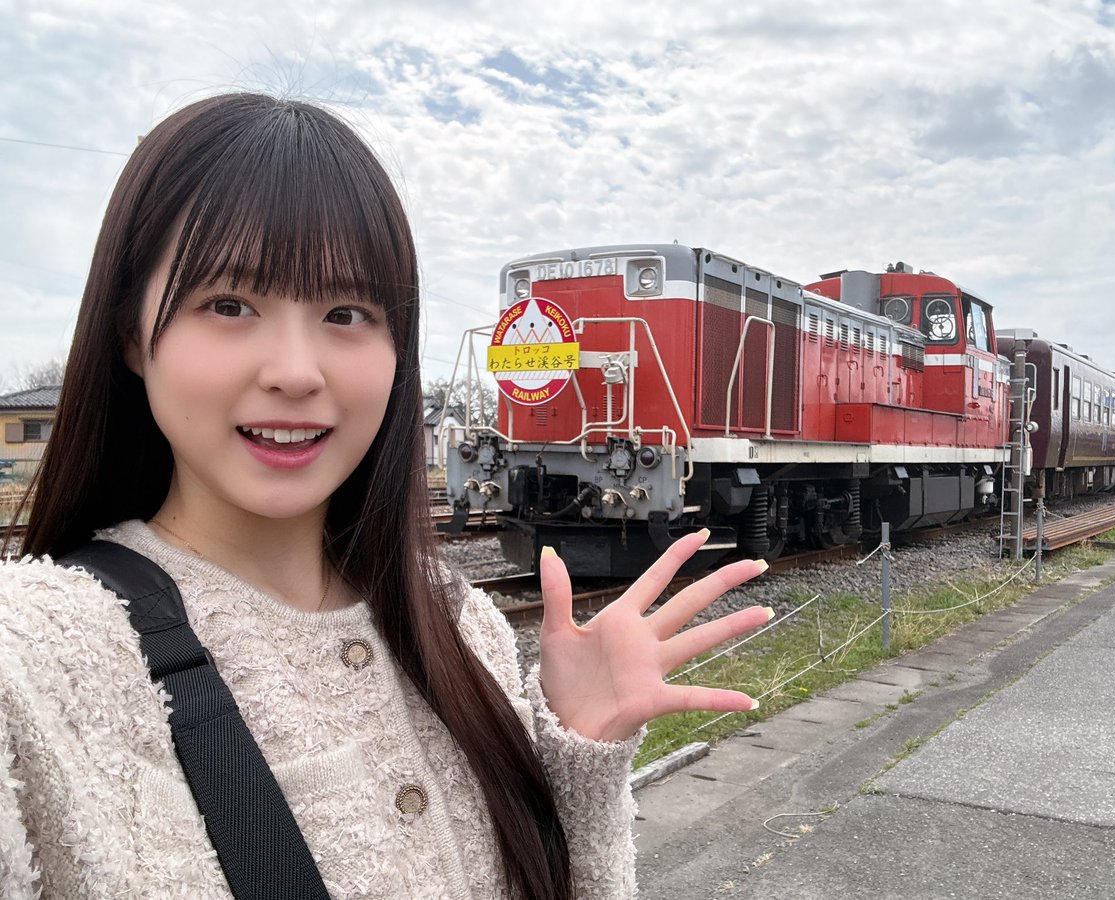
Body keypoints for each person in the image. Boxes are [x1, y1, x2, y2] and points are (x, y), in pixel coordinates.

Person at [0, 93, 772, 899]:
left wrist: (579, 755)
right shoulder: (31, 662)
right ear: (130, 331)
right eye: (229, 305)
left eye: (346, 312)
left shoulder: (461, 625)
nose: (295, 372)